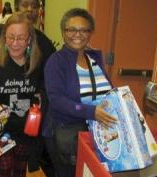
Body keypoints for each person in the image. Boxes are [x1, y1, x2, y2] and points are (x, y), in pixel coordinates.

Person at [0, 1, 56, 176]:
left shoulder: (38, 62)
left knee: (19, 170)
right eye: (10, 37)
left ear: (29, 39)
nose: (15, 43)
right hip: (0, 128)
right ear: (4, 37)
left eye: (21, 38)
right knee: (3, 169)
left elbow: (46, 86)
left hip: (26, 129)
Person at [43, 8, 117, 177]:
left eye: (84, 30)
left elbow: (106, 91)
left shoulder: (94, 59)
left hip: (97, 134)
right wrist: (91, 112)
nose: (78, 34)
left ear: (90, 33)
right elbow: (56, 99)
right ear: (63, 32)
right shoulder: (56, 61)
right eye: (72, 29)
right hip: (67, 135)